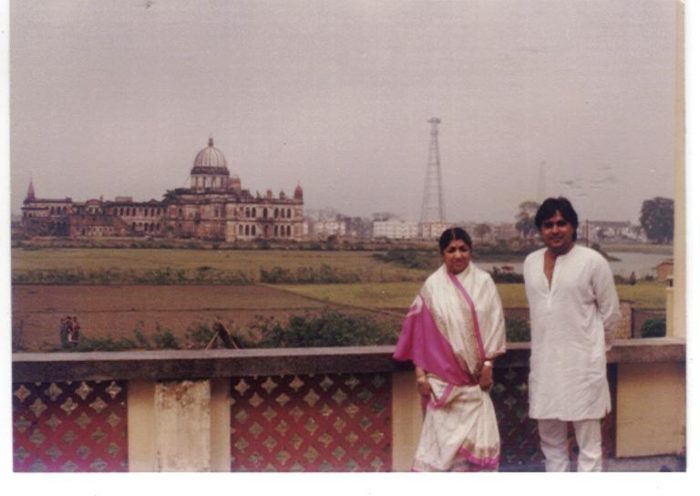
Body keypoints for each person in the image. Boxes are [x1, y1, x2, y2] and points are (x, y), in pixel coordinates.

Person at [393, 227, 506, 471]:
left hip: (476, 386)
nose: (458, 255)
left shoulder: (484, 282)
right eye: (451, 250)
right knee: (442, 460)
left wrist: (488, 364)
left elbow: (495, 323)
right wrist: (420, 375)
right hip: (442, 389)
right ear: (441, 254)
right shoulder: (433, 287)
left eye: (463, 249)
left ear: (471, 251)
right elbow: (418, 335)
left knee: (474, 463)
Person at [523, 197, 621, 472]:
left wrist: (595, 349)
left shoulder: (592, 262)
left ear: (573, 226)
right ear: (540, 230)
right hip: (545, 368)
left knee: (588, 448)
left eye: (561, 223)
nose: (555, 230)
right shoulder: (530, 263)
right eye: (548, 224)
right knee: (551, 444)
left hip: (583, 369)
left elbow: (611, 313)